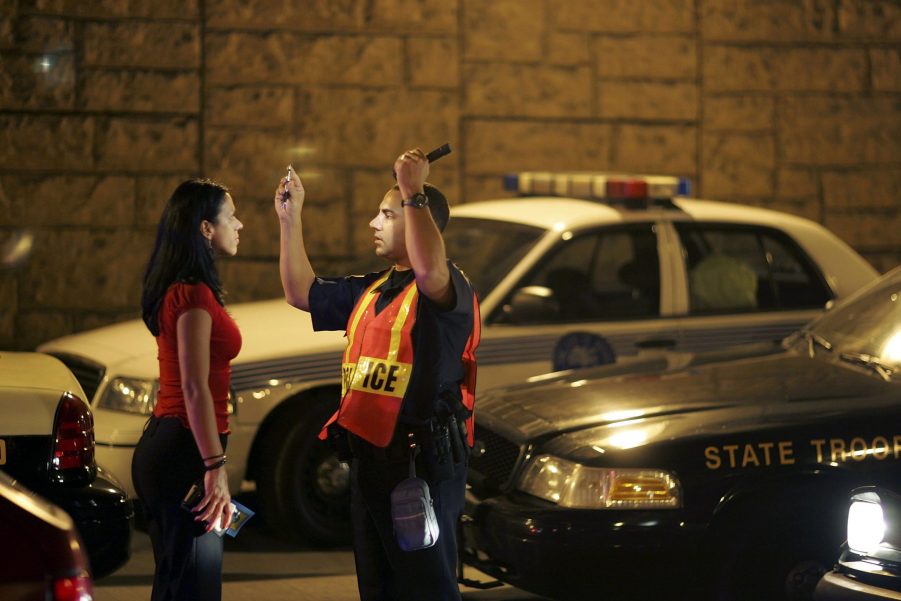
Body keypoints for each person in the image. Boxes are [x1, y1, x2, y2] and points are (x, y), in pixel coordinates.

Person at [275, 148, 480, 601]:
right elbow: (300, 292)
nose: (374, 222)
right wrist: (291, 218)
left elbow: (429, 269)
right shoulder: (373, 288)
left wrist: (414, 190)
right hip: (372, 463)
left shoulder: (446, 288)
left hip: (418, 465)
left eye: (387, 214)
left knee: (426, 588)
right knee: (379, 585)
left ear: (416, 219)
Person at [133, 179, 243, 601]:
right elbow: (194, 387)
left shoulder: (184, 288)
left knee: (179, 579)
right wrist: (214, 467)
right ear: (205, 229)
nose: (239, 224)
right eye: (230, 216)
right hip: (185, 452)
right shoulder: (193, 295)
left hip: (174, 444)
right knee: (193, 582)